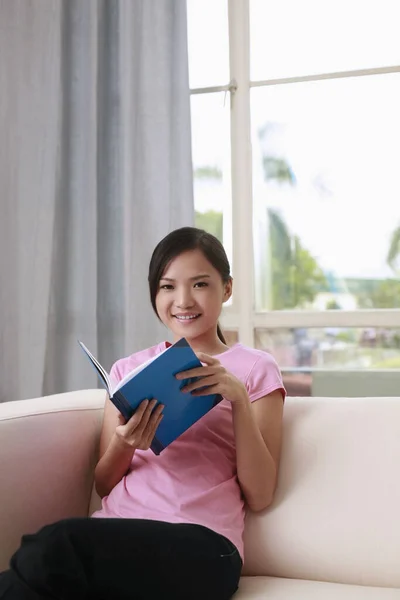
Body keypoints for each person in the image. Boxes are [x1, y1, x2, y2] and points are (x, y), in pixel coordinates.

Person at [0, 227, 285, 600]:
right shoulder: (128, 372)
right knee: (34, 572)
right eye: (168, 287)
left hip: (202, 546)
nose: (183, 300)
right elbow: (104, 485)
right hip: (117, 533)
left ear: (226, 288)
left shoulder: (254, 368)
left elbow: (261, 494)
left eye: (199, 284)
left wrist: (238, 402)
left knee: (54, 544)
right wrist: (124, 441)